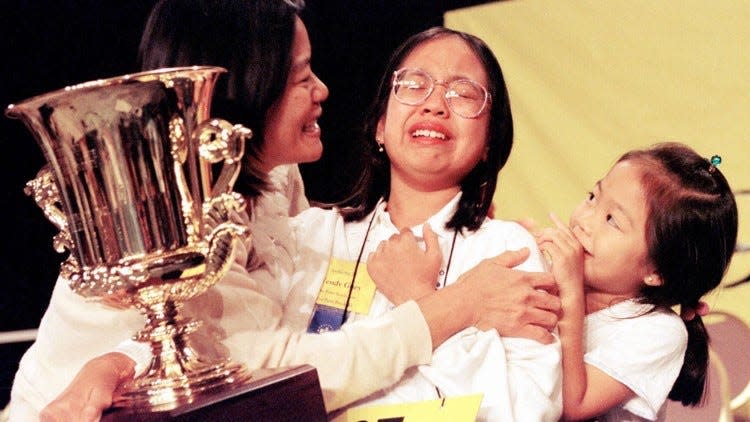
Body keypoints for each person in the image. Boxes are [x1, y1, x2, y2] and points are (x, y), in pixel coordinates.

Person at [14, 3, 560, 421]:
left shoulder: (508, 252)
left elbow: (526, 402)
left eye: (466, 94)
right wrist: (448, 306)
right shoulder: (189, 227)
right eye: (412, 85)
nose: (435, 104)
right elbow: (226, 353)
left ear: (493, 137)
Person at [534, 142, 737, 420]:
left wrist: (569, 292)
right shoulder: (550, 275)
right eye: (593, 196)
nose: (585, 220)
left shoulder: (659, 331)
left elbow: (573, 404)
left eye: (612, 220)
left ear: (657, 272)